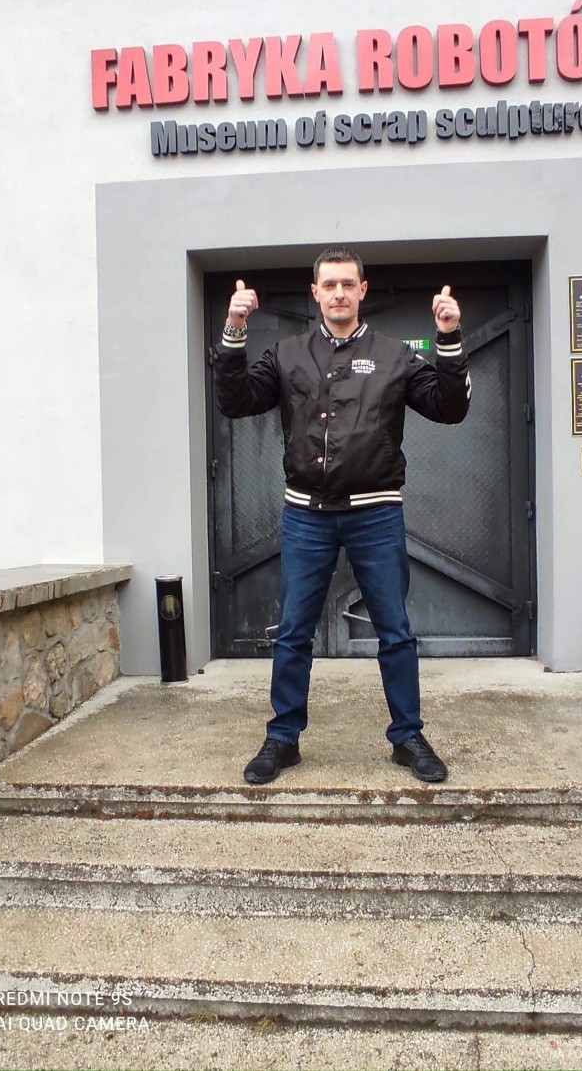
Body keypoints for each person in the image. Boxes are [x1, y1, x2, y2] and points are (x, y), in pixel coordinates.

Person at [213, 247, 471, 785]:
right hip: (306, 515)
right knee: (293, 632)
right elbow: (236, 401)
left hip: (376, 514)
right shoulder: (286, 354)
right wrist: (235, 329)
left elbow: (450, 408)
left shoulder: (395, 356)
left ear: (362, 290)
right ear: (315, 292)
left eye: (347, 284)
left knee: (395, 631)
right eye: (328, 284)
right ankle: (283, 738)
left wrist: (448, 338)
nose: (338, 293)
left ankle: (408, 737)